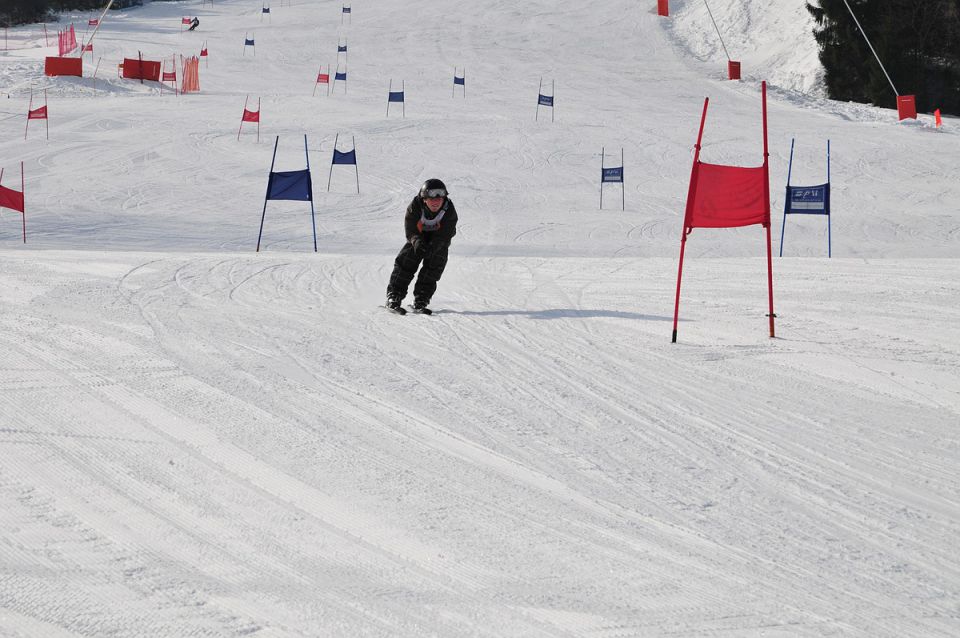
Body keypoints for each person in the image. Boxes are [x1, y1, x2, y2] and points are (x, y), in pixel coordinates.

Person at [386, 178, 458, 314]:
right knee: (406, 261)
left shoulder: (449, 210)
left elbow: (446, 232)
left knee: (435, 265)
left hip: (439, 240)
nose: (436, 202)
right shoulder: (415, 206)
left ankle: (421, 299)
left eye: (439, 198)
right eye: (432, 199)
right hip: (418, 237)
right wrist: (416, 241)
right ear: (424, 199)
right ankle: (394, 297)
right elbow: (410, 228)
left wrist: (435, 246)